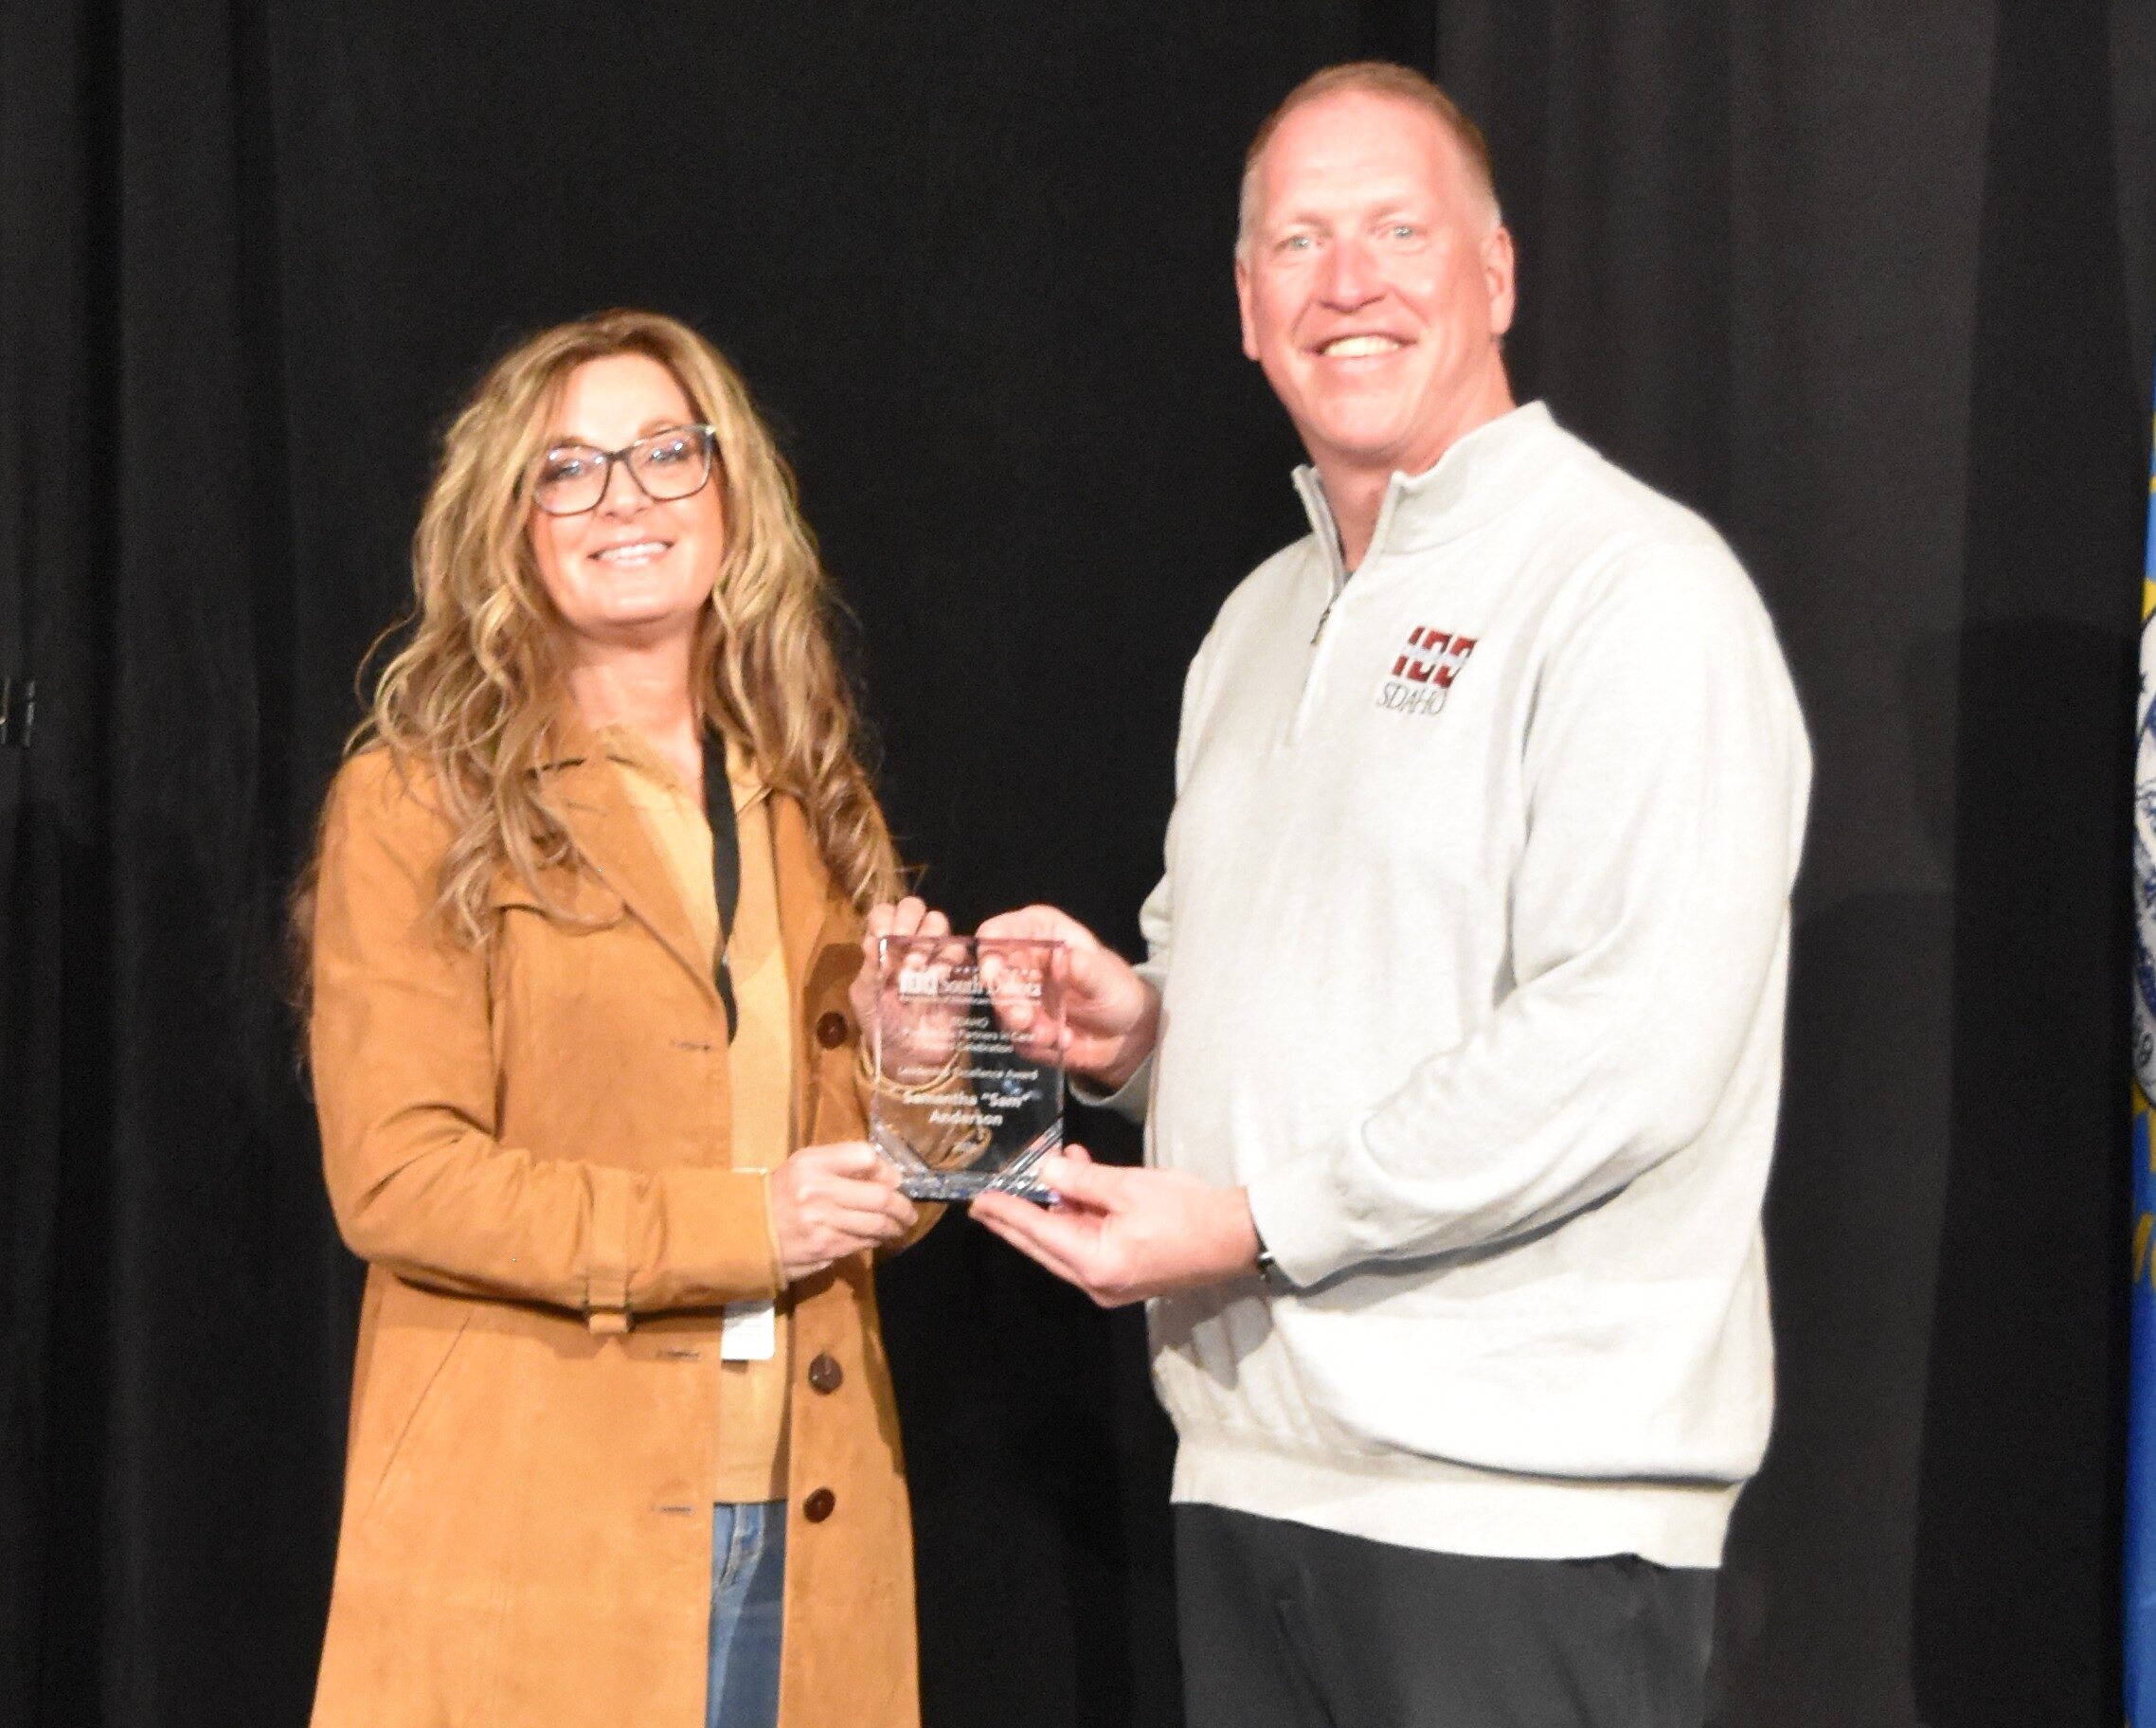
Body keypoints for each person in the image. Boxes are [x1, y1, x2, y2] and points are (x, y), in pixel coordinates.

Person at [965, 62, 1811, 1728]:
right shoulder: (1256, 622)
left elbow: (1625, 1048)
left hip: (1518, 1525)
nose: (1346, 281)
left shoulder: (1635, 592)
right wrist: (1139, 1034)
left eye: (1397, 232)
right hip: (1251, 1484)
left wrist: (1251, 1220)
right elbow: (1318, 991)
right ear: (1246, 306)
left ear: (1495, 274)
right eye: (1300, 241)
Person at [297, 309, 942, 1728]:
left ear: (729, 486)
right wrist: (741, 1226)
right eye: (568, 468)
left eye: (664, 452)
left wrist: (919, 1076)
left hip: (808, 1529)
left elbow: (869, 1203)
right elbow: (399, 1180)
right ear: (508, 520)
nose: (625, 499)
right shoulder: (415, 801)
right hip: (536, 1544)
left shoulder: (814, 795)